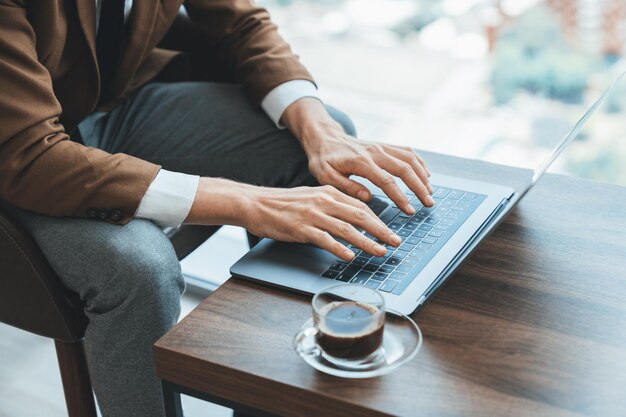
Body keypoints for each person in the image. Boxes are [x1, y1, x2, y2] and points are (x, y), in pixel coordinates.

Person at [0, 1, 433, 416]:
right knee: (140, 269)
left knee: (314, 149)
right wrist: (248, 203)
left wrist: (321, 129)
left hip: (109, 105)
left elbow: (241, 24)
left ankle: (268, 401)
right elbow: (29, 155)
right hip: (19, 154)